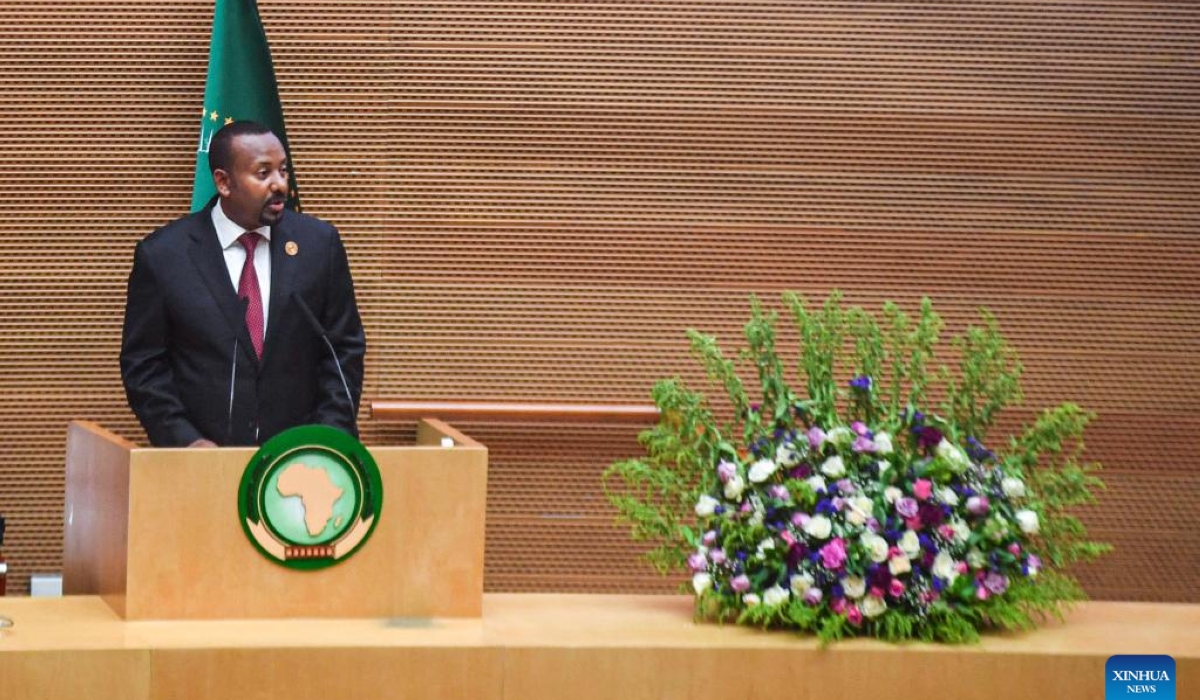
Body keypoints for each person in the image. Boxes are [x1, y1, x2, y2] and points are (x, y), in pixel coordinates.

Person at [121, 121, 365, 447]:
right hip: (203, 463)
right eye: (263, 174)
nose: (280, 185)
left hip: (301, 460)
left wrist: (325, 436)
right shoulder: (165, 255)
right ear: (223, 182)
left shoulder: (319, 245)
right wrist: (184, 440)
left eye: (283, 170)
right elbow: (144, 364)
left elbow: (343, 350)